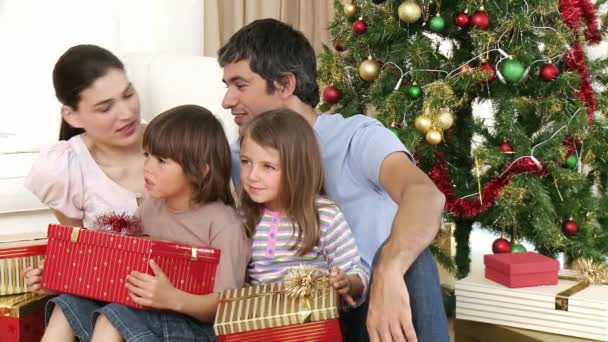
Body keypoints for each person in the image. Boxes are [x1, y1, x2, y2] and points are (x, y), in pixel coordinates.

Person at [218, 19, 448, 342]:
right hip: (283, 321)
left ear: (285, 85)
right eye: (226, 86)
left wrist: (388, 271)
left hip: (364, 310)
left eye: (240, 86)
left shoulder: (356, 137)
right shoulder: (237, 155)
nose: (226, 101)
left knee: (414, 262)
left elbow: (425, 195)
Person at [27, 105, 251, 342]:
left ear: (199, 170)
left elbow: (228, 305)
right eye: (146, 155)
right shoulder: (150, 208)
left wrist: (172, 298)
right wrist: (61, 279)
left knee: (114, 317)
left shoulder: (225, 224)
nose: (148, 166)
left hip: (196, 327)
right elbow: (117, 274)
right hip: (149, 314)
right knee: (68, 305)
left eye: (161, 160)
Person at [23, 44, 146, 341]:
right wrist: (57, 276)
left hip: (165, 295)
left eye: (128, 95)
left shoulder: (175, 144)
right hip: (105, 297)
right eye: (105, 107)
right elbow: (81, 253)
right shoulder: (65, 167)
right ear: (73, 116)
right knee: (66, 308)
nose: (127, 113)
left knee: (113, 316)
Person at [239, 109, 368, 307]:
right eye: (246, 162)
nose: (252, 175)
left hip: (314, 324)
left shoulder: (324, 215)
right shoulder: (243, 218)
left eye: (268, 166)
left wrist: (347, 282)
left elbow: (357, 275)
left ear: (296, 168)